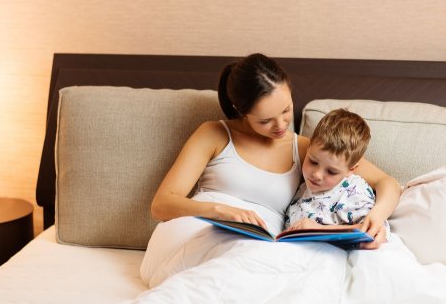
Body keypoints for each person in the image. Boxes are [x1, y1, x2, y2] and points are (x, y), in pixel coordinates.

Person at [135, 53, 403, 302]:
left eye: (286, 110)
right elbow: (161, 205)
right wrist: (219, 211)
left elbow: (386, 183)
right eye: (265, 120)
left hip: (264, 244)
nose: (281, 125)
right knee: (240, 266)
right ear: (242, 110)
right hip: (199, 228)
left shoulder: (308, 151)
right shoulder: (214, 134)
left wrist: (376, 218)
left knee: (311, 271)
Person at [284, 108, 390, 238]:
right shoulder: (301, 189)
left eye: (331, 171)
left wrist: (318, 229)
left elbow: (375, 230)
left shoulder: (354, 190)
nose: (316, 174)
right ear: (308, 147)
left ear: (350, 169)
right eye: (313, 161)